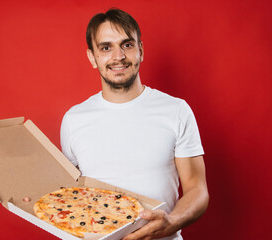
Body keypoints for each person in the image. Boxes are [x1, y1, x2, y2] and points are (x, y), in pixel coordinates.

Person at [60, 8, 209, 240]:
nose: (118, 56)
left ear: (141, 50)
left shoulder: (177, 110)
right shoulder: (73, 119)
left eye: (127, 45)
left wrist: (172, 221)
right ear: (92, 57)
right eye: (106, 48)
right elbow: (69, 194)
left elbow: (197, 189)